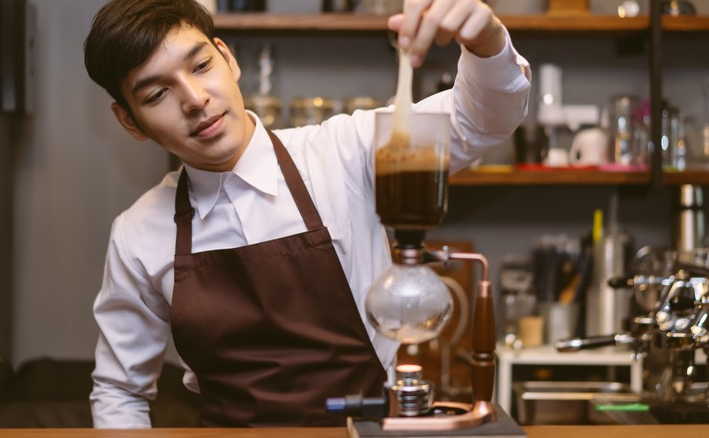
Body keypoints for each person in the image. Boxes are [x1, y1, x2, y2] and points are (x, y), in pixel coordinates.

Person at [84, 0, 531, 428]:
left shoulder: (345, 152)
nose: (195, 99)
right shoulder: (139, 232)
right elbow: (120, 391)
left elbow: (482, 119)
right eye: (158, 93)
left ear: (228, 58)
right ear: (129, 121)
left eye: (201, 66)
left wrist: (485, 39)